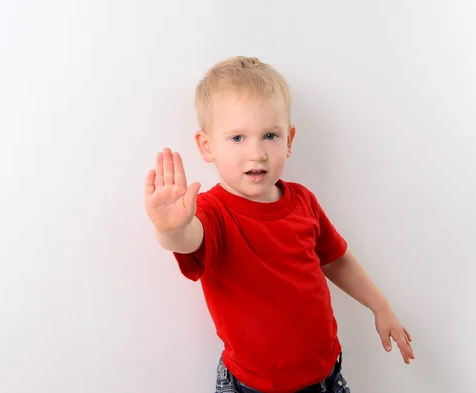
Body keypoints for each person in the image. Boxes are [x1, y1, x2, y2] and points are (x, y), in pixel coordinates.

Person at [144, 56, 414, 393]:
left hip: (327, 374)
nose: (257, 153)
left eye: (270, 135)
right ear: (207, 145)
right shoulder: (212, 213)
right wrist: (169, 228)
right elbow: (188, 239)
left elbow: (336, 259)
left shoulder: (302, 201)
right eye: (238, 138)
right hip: (256, 387)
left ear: (289, 139)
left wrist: (380, 305)